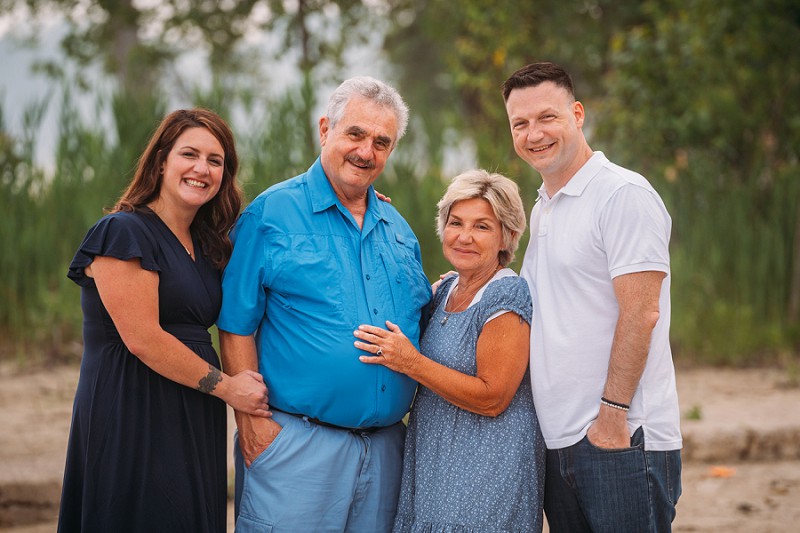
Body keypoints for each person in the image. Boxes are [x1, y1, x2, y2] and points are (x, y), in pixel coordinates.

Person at [217, 76, 431, 532]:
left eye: (381, 142)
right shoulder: (269, 215)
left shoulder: (399, 230)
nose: (366, 151)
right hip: (296, 447)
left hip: (388, 452)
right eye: (355, 134)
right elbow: (235, 325)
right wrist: (252, 424)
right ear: (325, 130)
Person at [57, 108, 270, 532]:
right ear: (160, 162)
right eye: (189, 154)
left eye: (215, 160)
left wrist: (355, 202)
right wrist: (230, 389)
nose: (201, 169)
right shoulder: (123, 232)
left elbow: (275, 237)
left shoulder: (209, 246)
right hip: (132, 408)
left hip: (191, 410)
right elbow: (143, 339)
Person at [502, 61, 683, 532]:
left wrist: (612, 418)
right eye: (520, 124)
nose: (533, 133)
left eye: (547, 117)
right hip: (558, 442)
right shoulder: (543, 206)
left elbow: (641, 313)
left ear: (577, 114)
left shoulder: (621, 194)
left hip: (621, 438)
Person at [354, 169, 545, 532]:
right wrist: (364, 210)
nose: (465, 237)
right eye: (456, 222)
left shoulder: (506, 294)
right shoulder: (444, 290)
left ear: (508, 235)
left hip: (485, 474)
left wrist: (412, 362)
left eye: (482, 227)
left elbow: (494, 397)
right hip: (435, 466)